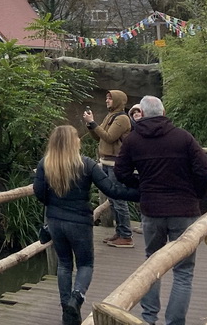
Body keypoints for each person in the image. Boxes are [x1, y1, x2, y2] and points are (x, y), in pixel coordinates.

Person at [114, 96, 207, 325]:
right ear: (163, 111)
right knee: (183, 271)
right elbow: (205, 171)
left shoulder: (133, 140)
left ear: (143, 113)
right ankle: (175, 322)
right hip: (184, 210)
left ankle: (149, 318)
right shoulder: (183, 138)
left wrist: (142, 185)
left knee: (151, 264)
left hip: (152, 209)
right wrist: (194, 193)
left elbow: (121, 173)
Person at [34, 125, 140, 325]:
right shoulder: (86, 164)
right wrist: (141, 192)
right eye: (77, 138)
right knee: (85, 264)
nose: (80, 141)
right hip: (80, 223)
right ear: (72, 142)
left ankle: (67, 310)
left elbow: (39, 192)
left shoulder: (44, 164)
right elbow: (112, 189)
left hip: (55, 222)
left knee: (64, 265)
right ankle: (77, 297)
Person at [82, 89, 134, 247]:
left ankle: (126, 235)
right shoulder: (110, 116)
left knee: (119, 200)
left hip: (115, 164)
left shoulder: (123, 118)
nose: (107, 101)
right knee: (112, 200)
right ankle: (119, 232)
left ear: (118, 100)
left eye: (110, 99)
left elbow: (110, 137)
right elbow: (98, 136)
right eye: (106, 98)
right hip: (105, 162)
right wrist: (90, 125)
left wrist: (93, 123)